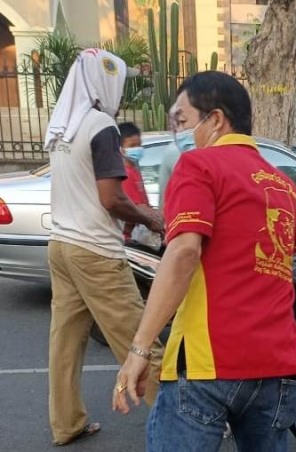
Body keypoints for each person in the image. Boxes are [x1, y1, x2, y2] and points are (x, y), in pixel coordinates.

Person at [112, 71, 296, 452]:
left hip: (210, 364)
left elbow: (185, 251)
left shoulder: (200, 166)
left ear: (216, 119)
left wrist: (139, 349)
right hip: (279, 364)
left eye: (183, 121)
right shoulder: (282, 183)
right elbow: (287, 249)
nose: (180, 133)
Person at [45, 49, 165, 446]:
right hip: (94, 250)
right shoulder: (100, 125)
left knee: (65, 343)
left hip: (61, 246)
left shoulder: (63, 124)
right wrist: (150, 217)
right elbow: (111, 198)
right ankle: (181, 423)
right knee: (141, 340)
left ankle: (66, 424)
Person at [117, 122, 152, 241]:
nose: (137, 149)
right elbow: (139, 207)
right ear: (121, 149)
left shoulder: (135, 170)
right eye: (132, 146)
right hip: (130, 238)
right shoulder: (126, 174)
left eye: (139, 145)